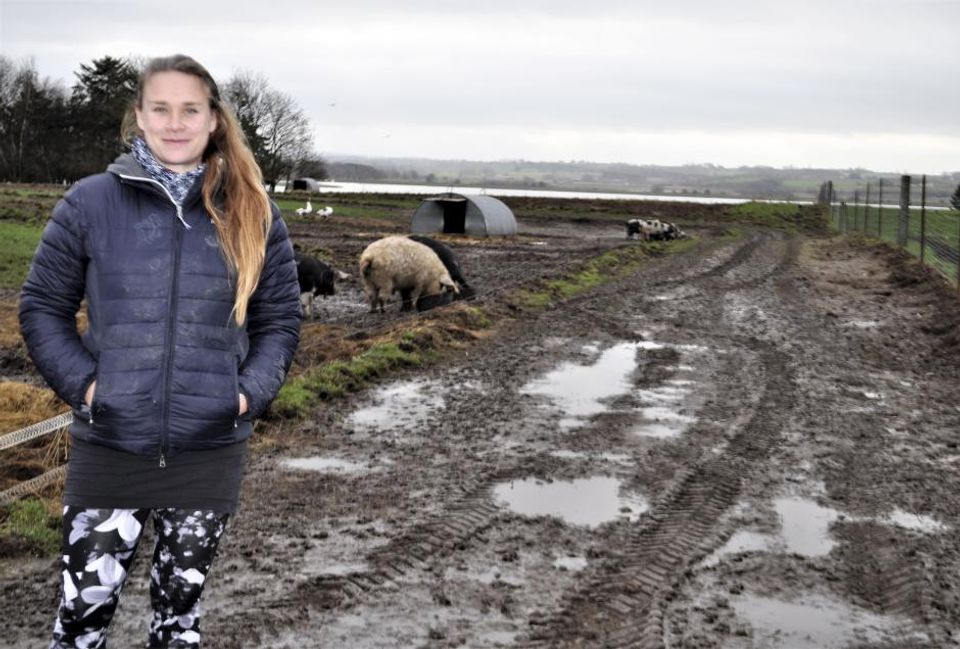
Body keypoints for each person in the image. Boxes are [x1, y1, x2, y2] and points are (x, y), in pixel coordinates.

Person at [18, 54, 302, 649]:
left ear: (214, 120)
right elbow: (43, 307)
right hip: (111, 447)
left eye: (190, 110)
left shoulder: (254, 211)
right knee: (81, 620)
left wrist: (245, 394)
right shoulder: (91, 203)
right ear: (139, 118)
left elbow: (280, 321)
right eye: (161, 109)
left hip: (207, 450)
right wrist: (90, 389)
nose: (176, 123)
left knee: (178, 622)